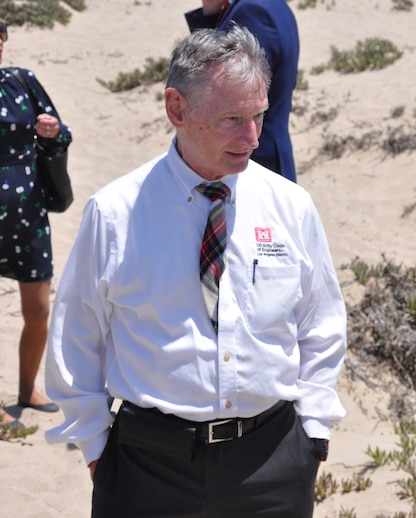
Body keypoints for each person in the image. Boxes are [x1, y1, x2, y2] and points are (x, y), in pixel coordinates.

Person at [45, 25, 346, 517]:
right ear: (176, 109)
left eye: (258, 116)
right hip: (147, 469)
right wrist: (98, 449)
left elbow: (321, 323)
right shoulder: (115, 212)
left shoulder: (290, 206)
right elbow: (76, 336)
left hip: (272, 463)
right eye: (232, 119)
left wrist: (312, 433)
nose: (252, 137)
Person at [0, 20, 70, 423]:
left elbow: (60, 136)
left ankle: (27, 390)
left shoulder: (21, 81)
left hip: (27, 216)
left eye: (1, 35)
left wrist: (53, 131)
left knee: (39, 310)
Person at [185, 0, 300, 183]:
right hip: (267, 154)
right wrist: (210, 12)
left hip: (251, 158)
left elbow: (219, 85)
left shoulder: (252, 12)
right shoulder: (271, 4)